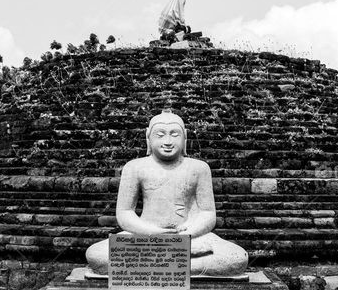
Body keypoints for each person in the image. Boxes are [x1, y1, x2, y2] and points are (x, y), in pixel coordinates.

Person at [85, 111, 248, 276]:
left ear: (185, 137)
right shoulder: (134, 167)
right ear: (148, 138)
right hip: (145, 237)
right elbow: (124, 213)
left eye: (174, 135)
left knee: (236, 258)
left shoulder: (199, 168)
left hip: (190, 237)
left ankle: (153, 265)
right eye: (160, 135)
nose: (168, 142)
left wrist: (188, 233)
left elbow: (208, 213)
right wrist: (152, 232)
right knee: (96, 255)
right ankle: (180, 265)